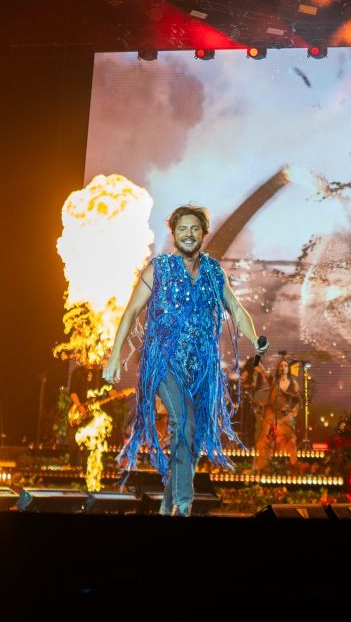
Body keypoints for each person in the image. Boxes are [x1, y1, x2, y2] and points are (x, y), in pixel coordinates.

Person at [103, 205, 262, 515]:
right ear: (174, 234)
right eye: (182, 229)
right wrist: (113, 356)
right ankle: (185, 505)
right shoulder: (159, 269)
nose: (188, 234)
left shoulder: (214, 272)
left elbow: (236, 309)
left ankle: (166, 509)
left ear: (203, 233)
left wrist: (256, 340)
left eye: (194, 229)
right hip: (164, 364)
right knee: (183, 421)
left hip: (202, 369)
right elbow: (131, 311)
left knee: (193, 438)